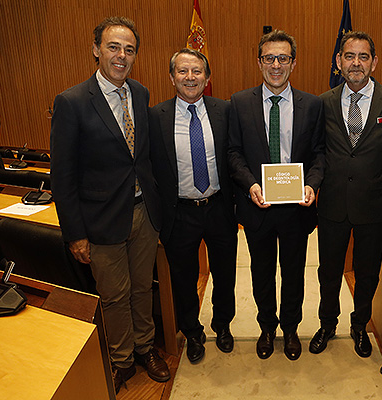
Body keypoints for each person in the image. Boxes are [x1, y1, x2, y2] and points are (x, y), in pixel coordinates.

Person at [50, 16, 169, 392]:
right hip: (100, 221)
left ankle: (146, 348)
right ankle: (121, 359)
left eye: (129, 49)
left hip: (143, 213)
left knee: (140, 288)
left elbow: (145, 158)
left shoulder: (141, 93)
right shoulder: (71, 102)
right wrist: (75, 234)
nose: (121, 55)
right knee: (114, 295)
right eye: (113, 47)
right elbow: (63, 176)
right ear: (96, 50)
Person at [228, 30, 325, 361]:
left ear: (293, 63)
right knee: (262, 271)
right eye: (269, 58)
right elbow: (233, 153)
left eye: (283, 58)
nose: (276, 65)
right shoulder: (239, 103)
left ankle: (291, 328)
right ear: (259, 62)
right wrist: (250, 184)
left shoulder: (312, 105)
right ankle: (267, 327)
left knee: (294, 272)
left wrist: (312, 183)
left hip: (296, 207)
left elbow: (319, 154)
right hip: (258, 205)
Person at [310, 31, 382, 358]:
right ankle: (327, 323)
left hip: (373, 208)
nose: (356, 63)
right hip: (333, 205)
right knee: (328, 272)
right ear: (338, 62)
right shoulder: (322, 103)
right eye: (349, 56)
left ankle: (359, 324)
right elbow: (316, 153)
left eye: (363, 57)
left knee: (367, 273)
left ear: (374, 62)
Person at [149, 48, 237, 365]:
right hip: (179, 212)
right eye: (183, 71)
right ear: (172, 77)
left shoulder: (226, 111)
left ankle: (222, 324)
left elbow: (235, 157)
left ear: (207, 77)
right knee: (183, 279)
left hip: (219, 208)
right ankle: (193, 332)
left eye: (196, 71)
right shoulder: (154, 117)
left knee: (225, 274)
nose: (190, 78)